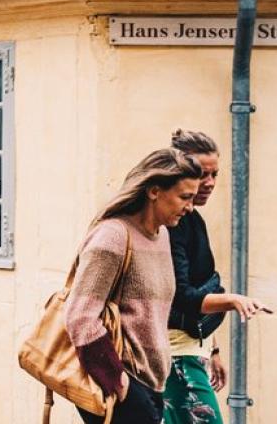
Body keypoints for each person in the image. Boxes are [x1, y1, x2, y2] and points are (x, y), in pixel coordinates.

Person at [64, 148, 203, 424]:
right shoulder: (113, 237)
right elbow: (80, 317)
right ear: (154, 191)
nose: (190, 207)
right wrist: (119, 384)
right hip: (125, 386)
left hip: (153, 384)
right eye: (185, 197)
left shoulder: (162, 235)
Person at [163, 130, 270, 424]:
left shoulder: (192, 219)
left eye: (215, 175)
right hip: (175, 356)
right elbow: (183, 296)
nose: (209, 183)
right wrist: (232, 299)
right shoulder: (174, 225)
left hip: (190, 350)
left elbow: (197, 288)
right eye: (201, 174)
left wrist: (213, 349)